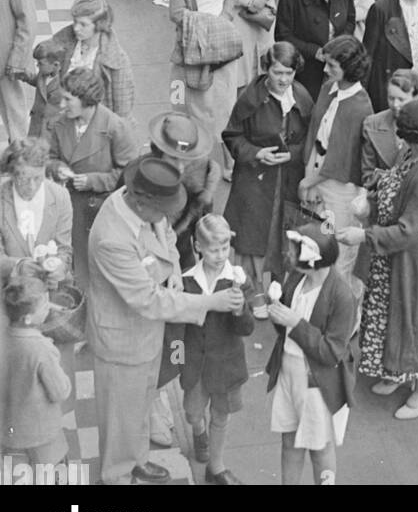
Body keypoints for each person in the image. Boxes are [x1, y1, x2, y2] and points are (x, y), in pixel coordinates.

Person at [86, 155, 245, 486]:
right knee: (120, 418)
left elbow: (167, 237)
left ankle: (137, 461)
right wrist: (209, 302)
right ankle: (115, 477)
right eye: (163, 208)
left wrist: (172, 268)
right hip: (121, 341)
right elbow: (148, 299)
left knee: (140, 407)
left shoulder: (139, 204)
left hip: (147, 334)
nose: (167, 215)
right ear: (143, 201)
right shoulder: (112, 238)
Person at [339, 98, 418, 420]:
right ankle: (395, 371)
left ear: (414, 135)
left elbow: (407, 231)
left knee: (414, 323)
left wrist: (363, 235)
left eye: (403, 135)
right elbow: (397, 178)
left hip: (416, 262)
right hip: (398, 258)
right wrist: (377, 187)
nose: (400, 140)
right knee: (394, 317)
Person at [222, 42, 312, 316]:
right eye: (277, 72)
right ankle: (254, 292)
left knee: (283, 235)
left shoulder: (302, 96)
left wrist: (293, 155)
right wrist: (256, 153)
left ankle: (278, 287)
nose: (283, 79)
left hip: (287, 178)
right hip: (255, 180)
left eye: (289, 73)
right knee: (250, 237)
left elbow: (310, 137)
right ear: (266, 69)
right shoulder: (250, 98)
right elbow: (232, 136)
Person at [265, 224, 357, 485]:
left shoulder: (341, 296)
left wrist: (295, 323)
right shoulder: (295, 278)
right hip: (289, 373)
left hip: (317, 384)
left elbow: (331, 353)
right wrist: (277, 311)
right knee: (289, 441)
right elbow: (283, 330)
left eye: (295, 252)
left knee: (320, 450)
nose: (289, 256)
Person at [45, 67, 137, 290]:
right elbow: (49, 157)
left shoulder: (115, 127)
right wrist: (58, 169)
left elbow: (131, 173)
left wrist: (93, 180)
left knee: (99, 267)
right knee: (75, 264)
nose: (62, 105)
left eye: (68, 99)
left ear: (86, 100)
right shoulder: (59, 123)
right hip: (70, 206)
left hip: (102, 208)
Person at [180, 212, 254, 486]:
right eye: (214, 249)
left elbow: (247, 329)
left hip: (226, 364)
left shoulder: (238, 280)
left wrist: (239, 311)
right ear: (198, 247)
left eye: (225, 248)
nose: (221, 255)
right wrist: (178, 361)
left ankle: (216, 466)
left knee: (221, 416)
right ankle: (199, 432)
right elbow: (176, 329)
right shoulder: (186, 280)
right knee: (193, 413)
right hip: (195, 366)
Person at [299, 34, 374, 286]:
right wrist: (309, 178)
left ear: (349, 69)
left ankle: (339, 312)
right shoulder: (327, 88)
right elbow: (315, 133)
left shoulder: (360, 107)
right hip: (318, 177)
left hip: (340, 190)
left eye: (332, 65)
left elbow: (340, 159)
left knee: (337, 253)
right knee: (315, 243)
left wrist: (308, 182)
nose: (325, 69)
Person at [168, 0, 243, 137]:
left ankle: (224, 156)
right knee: (186, 100)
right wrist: (206, 26)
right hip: (193, 44)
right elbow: (176, 12)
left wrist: (223, 19)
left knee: (224, 102)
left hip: (222, 45)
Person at [1, 272, 72, 468]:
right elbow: (60, 391)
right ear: (27, 318)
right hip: (43, 435)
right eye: (44, 305)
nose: (48, 308)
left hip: (9, 432)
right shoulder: (41, 348)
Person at [275, 0, 355, 101]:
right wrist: (315, 51)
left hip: (338, 64)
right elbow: (283, 35)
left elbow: (350, 20)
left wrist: (340, 46)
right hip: (307, 69)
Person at [50, 0, 135, 121]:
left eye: (83, 24)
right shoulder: (64, 42)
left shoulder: (117, 60)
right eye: (75, 22)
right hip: (63, 117)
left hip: (94, 123)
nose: (76, 28)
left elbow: (123, 108)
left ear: (99, 25)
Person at [0, 137, 73, 275]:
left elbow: (64, 249)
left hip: (50, 288)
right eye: (24, 179)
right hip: (8, 289)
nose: (32, 187)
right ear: (11, 175)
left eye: (38, 178)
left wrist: (59, 267)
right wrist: (18, 266)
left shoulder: (60, 196)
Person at [0, 0, 37, 144]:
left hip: (5, 59)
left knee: (14, 113)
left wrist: (16, 60)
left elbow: (28, 21)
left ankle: (22, 154)